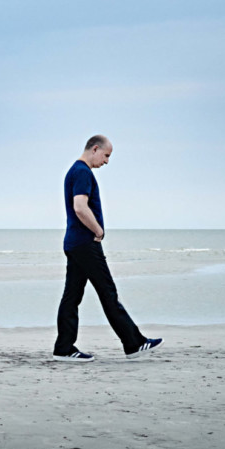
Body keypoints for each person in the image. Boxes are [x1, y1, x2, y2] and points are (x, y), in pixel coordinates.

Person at [52, 135, 162, 362]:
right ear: (95, 149)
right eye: (106, 155)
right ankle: (134, 343)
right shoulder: (82, 172)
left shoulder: (74, 170)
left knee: (71, 297)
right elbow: (80, 207)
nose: (107, 161)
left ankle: (63, 349)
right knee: (108, 293)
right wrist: (98, 230)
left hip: (74, 243)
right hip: (84, 244)